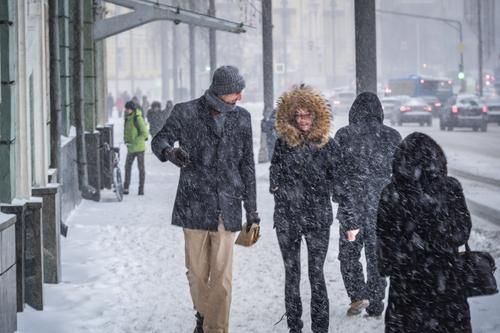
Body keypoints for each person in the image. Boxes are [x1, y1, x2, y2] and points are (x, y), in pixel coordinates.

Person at [151, 65, 260, 333]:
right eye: (236, 93)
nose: (240, 98)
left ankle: (215, 329)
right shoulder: (186, 112)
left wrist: (252, 211)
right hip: (194, 204)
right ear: (221, 92)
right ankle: (203, 315)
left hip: (228, 205)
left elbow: (247, 166)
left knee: (221, 278)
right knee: (197, 274)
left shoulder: (242, 119)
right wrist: (169, 152)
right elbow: (159, 139)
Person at [376, 132, 472, 332]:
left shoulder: (391, 193)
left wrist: (403, 254)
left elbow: (383, 238)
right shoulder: (450, 187)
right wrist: (438, 243)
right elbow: (463, 230)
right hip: (446, 281)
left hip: (406, 286)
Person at [270, 85, 339, 333]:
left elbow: (337, 178)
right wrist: (282, 191)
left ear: (316, 115)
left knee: (316, 273)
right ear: (291, 117)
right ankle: (294, 327)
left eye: (307, 114)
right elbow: (274, 177)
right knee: (292, 274)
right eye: (298, 115)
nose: (303, 120)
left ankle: (320, 328)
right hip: (288, 218)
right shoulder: (282, 144)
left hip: (318, 218)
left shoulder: (327, 145)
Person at [334, 92, 401, 317]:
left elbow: (337, 174)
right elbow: (400, 175)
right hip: (382, 211)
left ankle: (357, 294)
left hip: (351, 211)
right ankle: (376, 301)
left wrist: (341, 197)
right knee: (376, 257)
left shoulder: (344, 135)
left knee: (349, 254)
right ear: (379, 112)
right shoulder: (392, 136)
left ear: (354, 111)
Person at [123, 100, 148, 195]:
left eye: (127, 109)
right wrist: (126, 140)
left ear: (132, 109)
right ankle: (126, 188)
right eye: (126, 108)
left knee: (141, 169)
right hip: (131, 148)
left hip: (139, 148)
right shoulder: (127, 118)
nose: (126, 110)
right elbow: (127, 132)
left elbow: (145, 133)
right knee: (127, 167)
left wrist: (134, 141)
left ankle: (141, 189)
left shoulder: (137, 118)